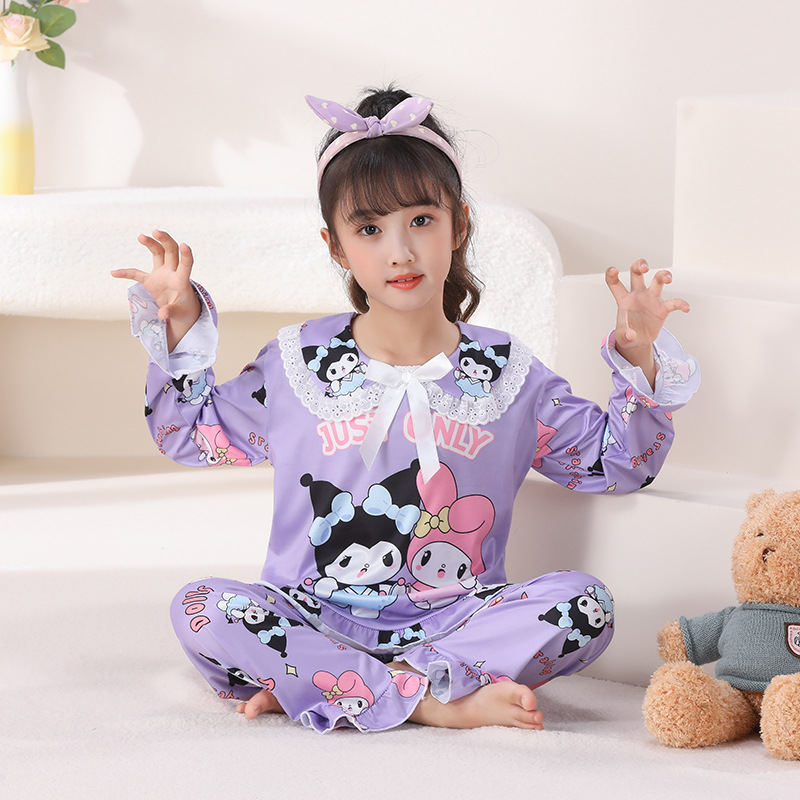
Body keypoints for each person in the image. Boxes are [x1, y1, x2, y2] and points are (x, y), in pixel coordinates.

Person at [111, 86, 699, 733]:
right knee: (202, 607)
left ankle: (326, 686)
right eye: (369, 229)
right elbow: (193, 435)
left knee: (584, 605)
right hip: (310, 614)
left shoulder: (507, 371)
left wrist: (638, 360)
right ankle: (432, 701)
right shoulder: (297, 361)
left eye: (421, 220)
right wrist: (180, 332)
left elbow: (617, 464)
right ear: (336, 246)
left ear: (459, 224)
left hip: (458, 621)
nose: (400, 251)